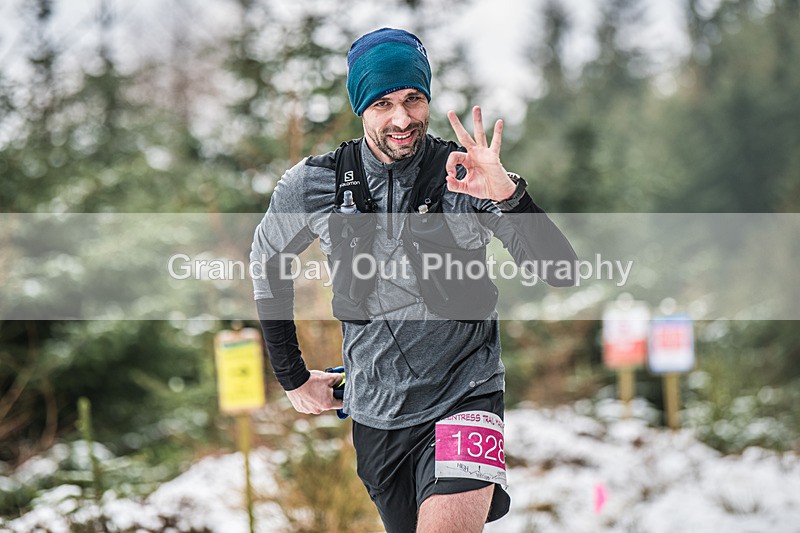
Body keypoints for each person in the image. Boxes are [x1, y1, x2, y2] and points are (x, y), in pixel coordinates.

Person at [250, 27, 577, 532]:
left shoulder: (464, 176)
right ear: (361, 107)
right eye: (383, 103)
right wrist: (291, 375)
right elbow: (267, 262)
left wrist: (508, 195)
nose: (402, 118)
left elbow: (561, 272)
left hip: (466, 395)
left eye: (413, 99)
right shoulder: (315, 184)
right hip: (376, 417)